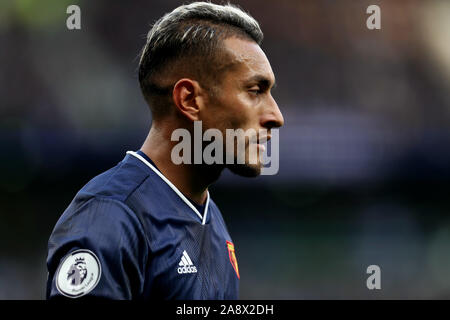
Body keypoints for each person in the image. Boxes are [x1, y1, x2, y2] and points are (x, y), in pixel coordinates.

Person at [46, 1, 284, 300]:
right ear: (189, 100)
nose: (276, 115)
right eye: (255, 90)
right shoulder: (112, 217)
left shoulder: (210, 217)